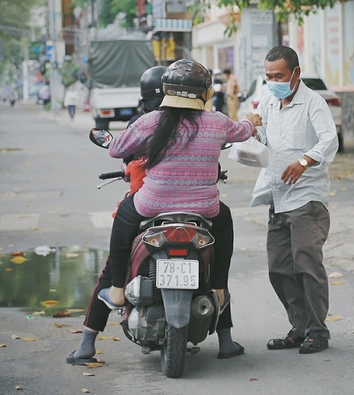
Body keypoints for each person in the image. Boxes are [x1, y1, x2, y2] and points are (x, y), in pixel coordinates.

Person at [67, 60, 261, 365]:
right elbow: (243, 130)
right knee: (224, 225)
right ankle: (220, 288)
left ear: (166, 91)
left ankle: (118, 291)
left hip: (153, 205)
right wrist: (252, 119)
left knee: (122, 225)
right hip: (202, 209)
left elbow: (117, 149)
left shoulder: (149, 121)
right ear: (205, 92)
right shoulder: (217, 122)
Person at [250, 46, 339, 354]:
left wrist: (304, 162)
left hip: (307, 197)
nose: (273, 81)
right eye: (268, 75)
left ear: (296, 74)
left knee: (307, 264)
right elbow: (265, 140)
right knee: (279, 267)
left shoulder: (313, 103)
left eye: (279, 75)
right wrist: (254, 131)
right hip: (278, 195)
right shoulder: (269, 101)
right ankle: (299, 326)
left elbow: (329, 139)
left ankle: (317, 330)